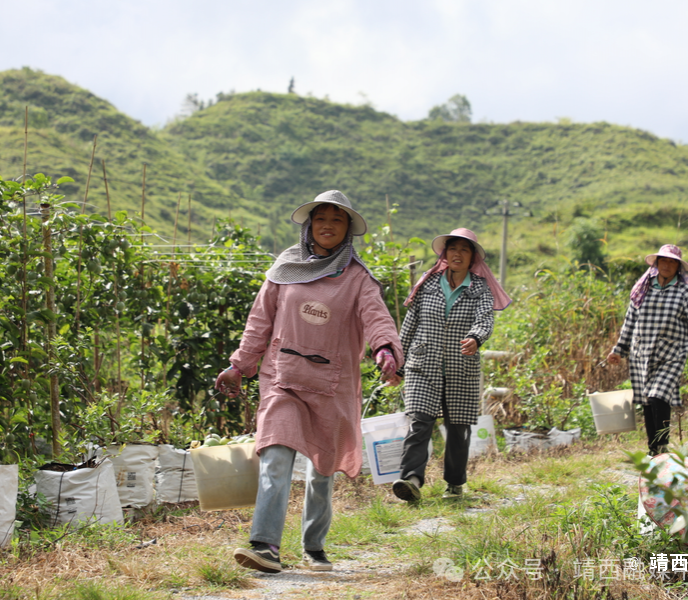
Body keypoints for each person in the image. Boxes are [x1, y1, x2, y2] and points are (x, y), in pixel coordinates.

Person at [215, 190, 403, 574]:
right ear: (310, 225)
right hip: (282, 377)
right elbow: (259, 321)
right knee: (276, 457)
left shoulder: (357, 278)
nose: (328, 226)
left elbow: (376, 316)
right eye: (321, 219)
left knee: (322, 468)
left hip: (331, 383)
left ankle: (314, 546)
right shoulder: (284, 269)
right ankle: (264, 545)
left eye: (337, 219)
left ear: (347, 228)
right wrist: (240, 364)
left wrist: (386, 349)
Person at [390, 228, 511, 503]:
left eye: (464, 250)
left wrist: (476, 338)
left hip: (461, 368)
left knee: (458, 428)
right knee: (420, 421)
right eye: (453, 248)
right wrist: (399, 362)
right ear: (445, 254)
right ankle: (411, 480)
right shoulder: (428, 283)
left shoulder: (480, 288)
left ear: (472, 258)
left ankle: (455, 484)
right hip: (423, 364)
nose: (458, 254)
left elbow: (485, 320)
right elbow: (409, 326)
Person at [606, 244, 688, 455]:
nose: (667, 265)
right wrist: (619, 350)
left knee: (659, 396)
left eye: (672, 262)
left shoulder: (684, 292)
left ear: (678, 267)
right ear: (657, 263)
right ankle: (654, 451)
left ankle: (663, 445)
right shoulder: (642, 289)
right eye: (664, 261)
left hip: (671, 355)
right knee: (648, 402)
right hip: (641, 355)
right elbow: (630, 321)